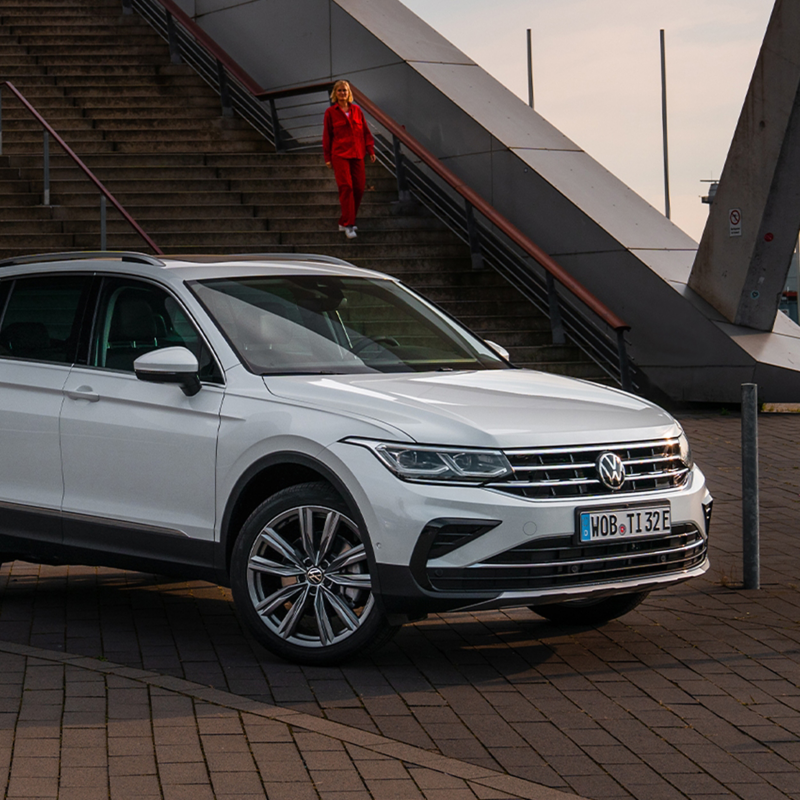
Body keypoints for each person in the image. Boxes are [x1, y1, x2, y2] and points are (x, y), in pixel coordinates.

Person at [323, 80, 376, 240]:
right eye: (339, 91)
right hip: (339, 155)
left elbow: (366, 131)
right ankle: (349, 225)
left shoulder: (357, 110)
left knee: (359, 188)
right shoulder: (331, 112)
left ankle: (344, 220)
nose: (342, 93)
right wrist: (327, 157)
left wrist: (370, 149)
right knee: (346, 188)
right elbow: (327, 136)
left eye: (344, 90)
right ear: (335, 93)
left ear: (349, 93)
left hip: (357, 154)